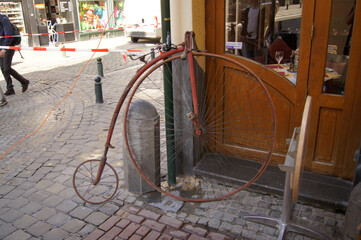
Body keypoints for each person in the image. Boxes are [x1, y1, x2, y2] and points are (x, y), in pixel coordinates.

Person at [0, 13, 29, 96]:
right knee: (3, 68)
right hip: (1, 47)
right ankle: (10, 88)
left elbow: (9, 34)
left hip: (8, 47)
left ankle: (24, 81)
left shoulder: (3, 19)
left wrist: (4, 48)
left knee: (7, 68)